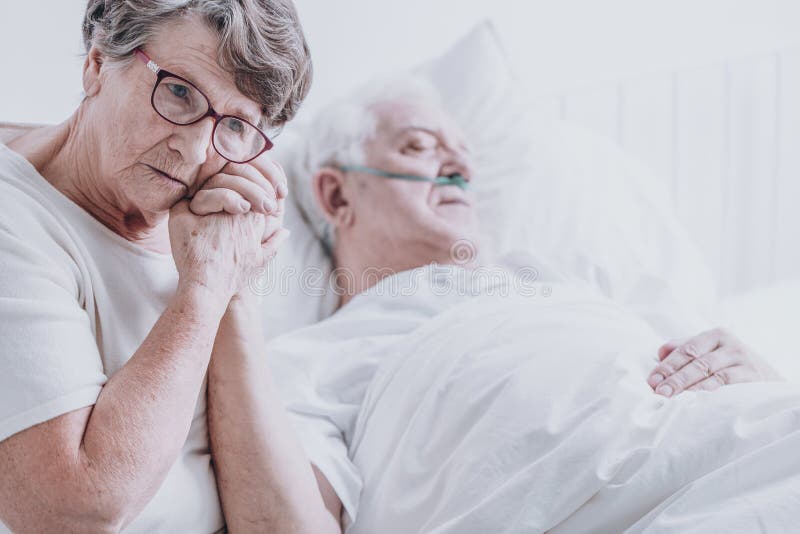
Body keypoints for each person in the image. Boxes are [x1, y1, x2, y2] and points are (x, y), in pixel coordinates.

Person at [268, 81, 791, 532]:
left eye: (465, 154)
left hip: (749, 448)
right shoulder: (315, 358)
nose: (458, 166)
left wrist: (760, 378)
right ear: (337, 197)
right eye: (419, 146)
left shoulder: (568, 285)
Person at [0, 1, 341, 532]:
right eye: (179, 92)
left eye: (233, 124)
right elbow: (73, 510)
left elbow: (287, 526)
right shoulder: (16, 220)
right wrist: (203, 293)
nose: (196, 147)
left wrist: (229, 283)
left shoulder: (205, 225)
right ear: (96, 64)